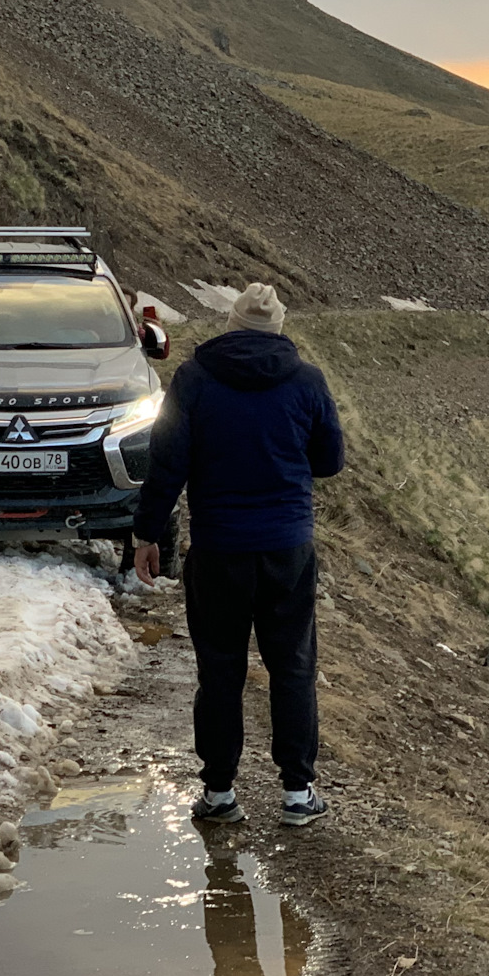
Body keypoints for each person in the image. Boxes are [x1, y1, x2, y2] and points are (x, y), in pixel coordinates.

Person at [132, 282, 344, 826]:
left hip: (219, 548)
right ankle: (298, 794)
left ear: (230, 327)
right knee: (293, 668)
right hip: (287, 549)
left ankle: (221, 794)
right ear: (277, 330)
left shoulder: (195, 380)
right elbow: (330, 461)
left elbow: (166, 464)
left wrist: (146, 535)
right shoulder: (306, 381)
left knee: (220, 671)